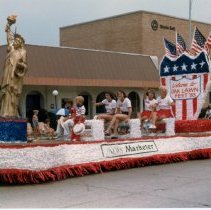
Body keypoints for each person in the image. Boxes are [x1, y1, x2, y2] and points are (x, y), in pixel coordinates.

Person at [0, 15, 28, 117]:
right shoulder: (11, 49)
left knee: (14, 93)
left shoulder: (23, 52)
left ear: (20, 43)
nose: (14, 42)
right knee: (6, 93)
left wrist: (19, 65)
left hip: (15, 76)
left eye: (17, 41)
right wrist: (8, 27)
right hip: (7, 74)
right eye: (14, 41)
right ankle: (4, 113)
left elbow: (25, 65)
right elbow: (8, 40)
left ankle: (12, 112)